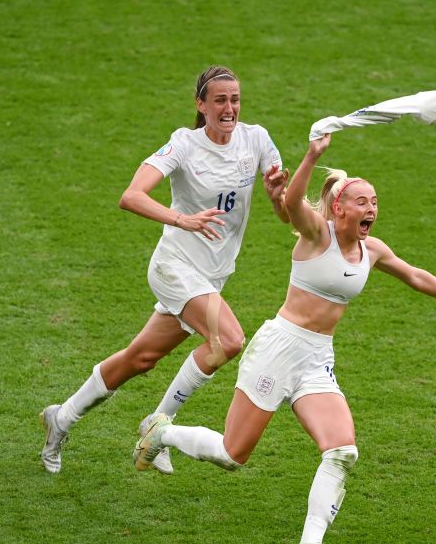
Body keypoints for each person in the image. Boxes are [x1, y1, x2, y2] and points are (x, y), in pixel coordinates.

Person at [134, 133, 436, 544]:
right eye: (362, 201)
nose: (372, 209)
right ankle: (162, 433)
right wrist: (312, 155)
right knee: (233, 455)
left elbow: (414, 275)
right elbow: (291, 201)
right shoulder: (315, 235)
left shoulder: (372, 249)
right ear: (340, 209)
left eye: (375, 201)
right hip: (277, 349)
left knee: (342, 451)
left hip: (316, 357)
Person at [39, 65, 289, 474]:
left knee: (141, 358)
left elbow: (284, 213)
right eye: (220, 100)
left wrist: (279, 197)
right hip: (175, 267)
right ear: (201, 105)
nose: (230, 108)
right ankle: (158, 426)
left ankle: (60, 419)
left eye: (235, 99)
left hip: (211, 276)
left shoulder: (256, 139)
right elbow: (131, 196)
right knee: (228, 340)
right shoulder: (184, 145)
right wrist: (181, 220)